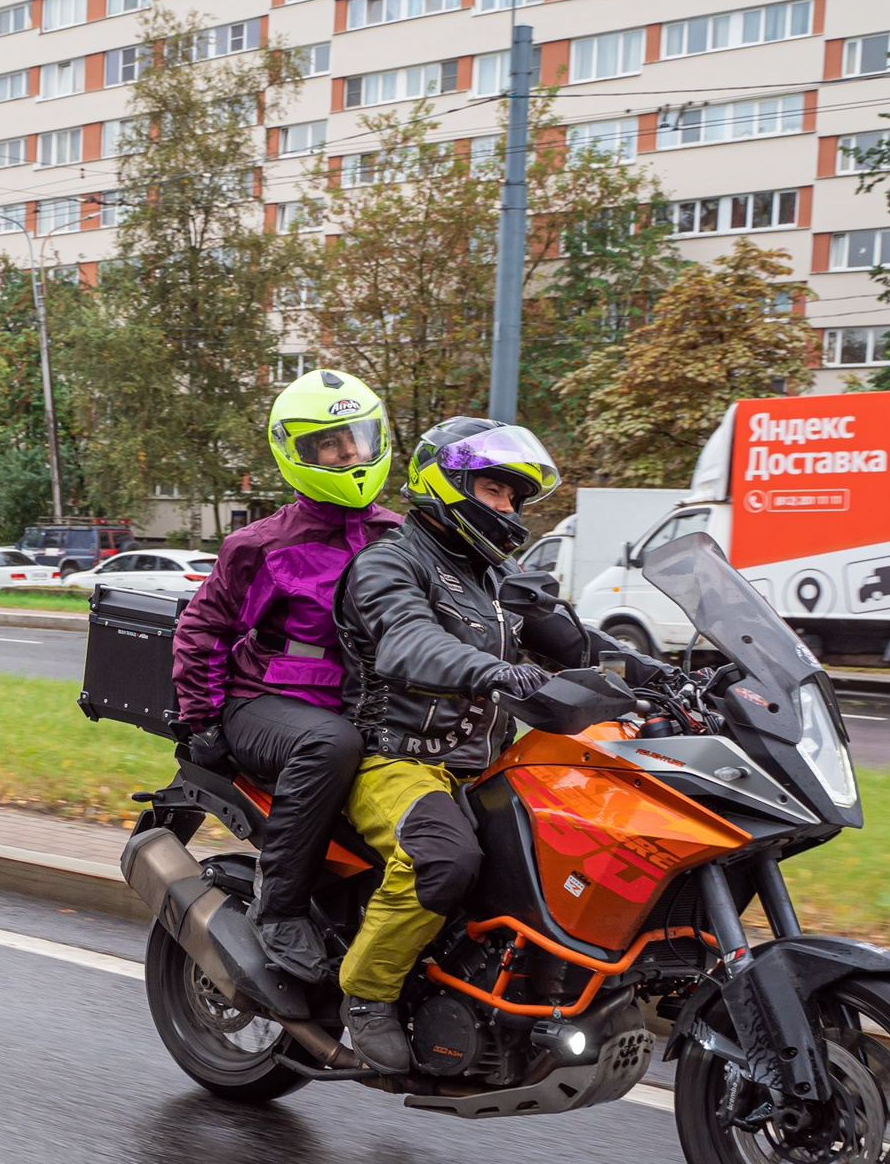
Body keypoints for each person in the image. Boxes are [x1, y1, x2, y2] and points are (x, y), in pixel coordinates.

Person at [331, 417, 604, 1073]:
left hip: (485, 764)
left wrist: (677, 676)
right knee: (441, 858)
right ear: (446, 483)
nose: (507, 508)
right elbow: (407, 640)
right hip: (396, 755)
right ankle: (368, 994)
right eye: (494, 490)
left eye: (514, 497)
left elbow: (586, 650)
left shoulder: (494, 577)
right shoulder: (389, 561)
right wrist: (495, 669)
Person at [169, 370, 402, 984]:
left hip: (365, 707)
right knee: (331, 744)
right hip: (267, 705)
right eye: (331, 444)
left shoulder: (402, 538)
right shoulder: (261, 545)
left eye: (357, 438)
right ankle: (280, 908)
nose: (350, 454)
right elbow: (200, 629)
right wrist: (201, 718)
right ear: (298, 454)